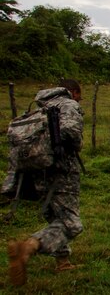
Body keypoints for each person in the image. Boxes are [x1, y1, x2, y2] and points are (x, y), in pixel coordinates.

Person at [7, 79, 85, 286]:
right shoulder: (68, 104)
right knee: (71, 223)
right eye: (80, 94)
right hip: (61, 169)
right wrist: (77, 145)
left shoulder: (40, 106)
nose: (81, 99)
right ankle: (30, 246)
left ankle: (63, 262)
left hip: (35, 170)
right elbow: (71, 133)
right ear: (74, 92)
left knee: (54, 216)